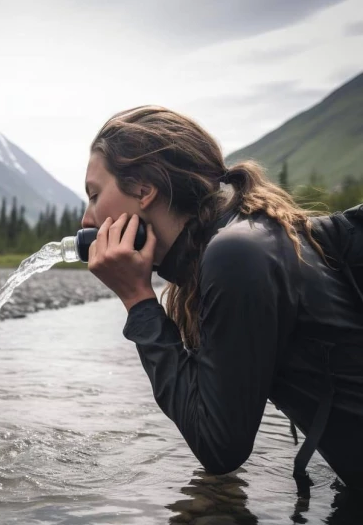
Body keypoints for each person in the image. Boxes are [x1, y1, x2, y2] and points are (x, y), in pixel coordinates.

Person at [82, 106, 363, 496]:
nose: (86, 219)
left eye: (95, 195)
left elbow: (219, 448)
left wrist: (138, 299)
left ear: (144, 190)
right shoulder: (240, 242)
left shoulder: (237, 254)